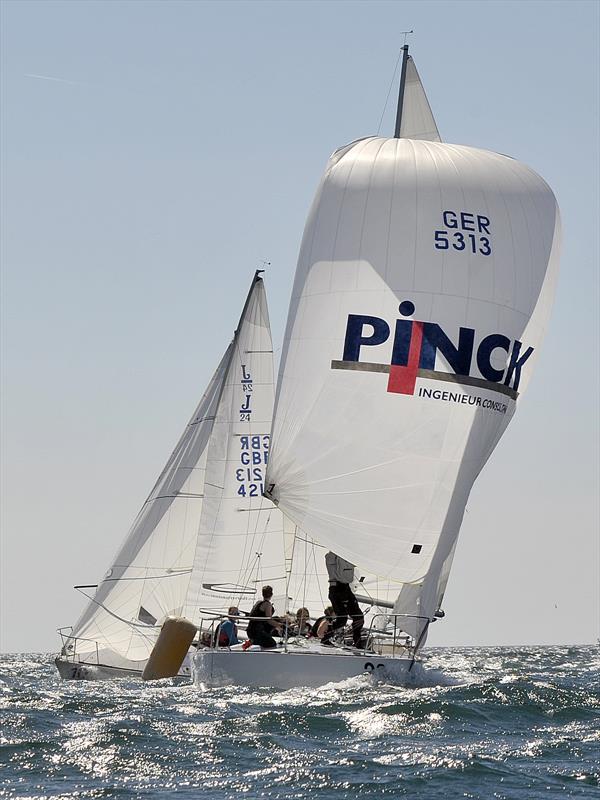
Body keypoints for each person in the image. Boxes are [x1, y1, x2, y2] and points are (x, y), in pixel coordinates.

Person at [324, 551, 364, 647]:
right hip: (336, 589)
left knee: (359, 617)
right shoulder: (331, 556)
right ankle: (326, 637)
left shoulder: (345, 554)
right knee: (342, 618)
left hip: (345, 589)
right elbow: (342, 574)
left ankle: (357, 642)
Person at [246, 585, 281, 649]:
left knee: (277, 618)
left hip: (250, 630)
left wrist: (279, 621)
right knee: (272, 643)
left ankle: (256, 640)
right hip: (257, 632)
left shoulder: (258, 602)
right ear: (272, 594)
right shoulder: (268, 604)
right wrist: (280, 625)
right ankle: (254, 641)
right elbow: (269, 620)